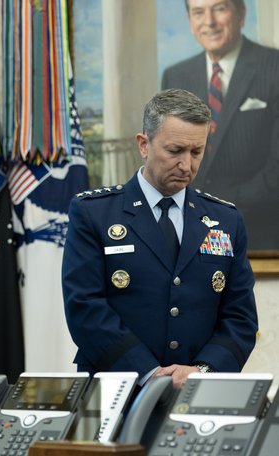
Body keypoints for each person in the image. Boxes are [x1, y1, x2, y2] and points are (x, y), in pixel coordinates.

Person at [62, 88, 258, 388]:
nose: (186, 165)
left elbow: (240, 317)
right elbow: (85, 308)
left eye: (196, 152)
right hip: (116, 390)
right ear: (144, 145)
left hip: (196, 392)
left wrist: (203, 371)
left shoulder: (226, 220)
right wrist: (149, 373)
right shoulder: (94, 214)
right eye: (175, 150)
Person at [161, 0, 279, 250]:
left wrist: (215, 205)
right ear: (190, 21)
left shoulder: (274, 67)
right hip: (191, 234)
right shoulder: (175, 76)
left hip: (262, 234)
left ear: (241, 14)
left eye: (219, 9)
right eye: (198, 12)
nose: (209, 21)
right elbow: (169, 158)